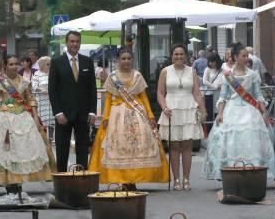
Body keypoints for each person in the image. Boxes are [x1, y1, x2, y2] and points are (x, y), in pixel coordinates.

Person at [88, 47, 169, 186]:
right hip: (117, 114)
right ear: (118, 60)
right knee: (117, 143)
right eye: (123, 59)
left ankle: (135, 178)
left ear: (132, 60)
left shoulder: (137, 76)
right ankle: (120, 177)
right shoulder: (113, 77)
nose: (126, 61)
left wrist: (150, 115)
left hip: (137, 113)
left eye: (129, 58)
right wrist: (105, 117)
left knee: (142, 141)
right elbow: (108, 99)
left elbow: (143, 97)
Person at [202, 42, 275, 181]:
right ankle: (231, 170)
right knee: (231, 140)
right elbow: (223, 96)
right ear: (235, 57)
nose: (246, 58)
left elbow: (258, 95)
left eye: (247, 55)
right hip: (232, 110)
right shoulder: (227, 75)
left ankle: (253, 170)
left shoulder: (253, 75)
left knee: (251, 140)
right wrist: (221, 113)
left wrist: (264, 111)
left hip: (250, 110)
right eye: (243, 56)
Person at [0, 55, 54, 188]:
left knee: (24, 150)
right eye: (11, 64)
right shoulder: (0, 82)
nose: (14, 67)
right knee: (6, 151)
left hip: (23, 117)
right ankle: (9, 183)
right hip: (5, 117)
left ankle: (20, 182)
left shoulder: (25, 81)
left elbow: (31, 99)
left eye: (16, 64)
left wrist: (36, 118)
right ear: (5, 66)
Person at [157, 43, 205, 191]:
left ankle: (186, 179)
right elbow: (160, 92)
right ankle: (176, 179)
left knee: (187, 146)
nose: (179, 56)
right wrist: (164, 107)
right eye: (176, 54)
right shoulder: (165, 71)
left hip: (188, 107)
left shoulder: (192, 71)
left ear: (186, 56)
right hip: (171, 108)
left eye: (181, 54)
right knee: (174, 146)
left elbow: (197, 92)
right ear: (172, 56)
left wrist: (203, 109)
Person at [48, 31, 97, 172]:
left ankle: (82, 182)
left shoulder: (87, 61)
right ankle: (62, 184)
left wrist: (93, 111)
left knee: (82, 150)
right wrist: (57, 112)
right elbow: (53, 90)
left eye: (77, 41)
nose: (75, 44)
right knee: (62, 151)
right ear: (66, 43)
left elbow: (92, 89)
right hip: (63, 115)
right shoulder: (57, 62)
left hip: (83, 114)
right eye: (72, 41)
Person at [31, 56, 53, 142]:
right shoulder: (37, 74)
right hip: (41, 100)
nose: (49, 65)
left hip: (51, 100)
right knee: (42, 119)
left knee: (51, 119)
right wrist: (41, 90)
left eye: (50, 64)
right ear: (42, 65)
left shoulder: (52, 73)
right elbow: (34, 86)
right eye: (48, 64)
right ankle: (42, 138)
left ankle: (50, 138)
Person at [201, 52, 224, 128]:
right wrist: (215, 87)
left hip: (220, 95)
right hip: (209, 94)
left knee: (218, 113)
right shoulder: (207, 69)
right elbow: (204, 81)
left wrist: (221, 85)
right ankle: (209, 131)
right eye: (210, 62)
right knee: (210, 114)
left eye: (213, 61)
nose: (211, 63)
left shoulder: (222, 70)